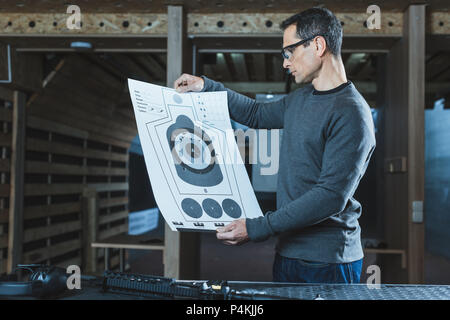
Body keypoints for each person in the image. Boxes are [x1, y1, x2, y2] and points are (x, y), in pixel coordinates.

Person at [173, 7, 376, 284]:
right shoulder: (299, 100)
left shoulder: (352, 112)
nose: (285, 62)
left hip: (328, 260)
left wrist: (258, 227)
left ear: (318, 45)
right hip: (288, 252)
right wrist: (206, 86)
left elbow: (330, 196)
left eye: (289, 51)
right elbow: (256, 114)